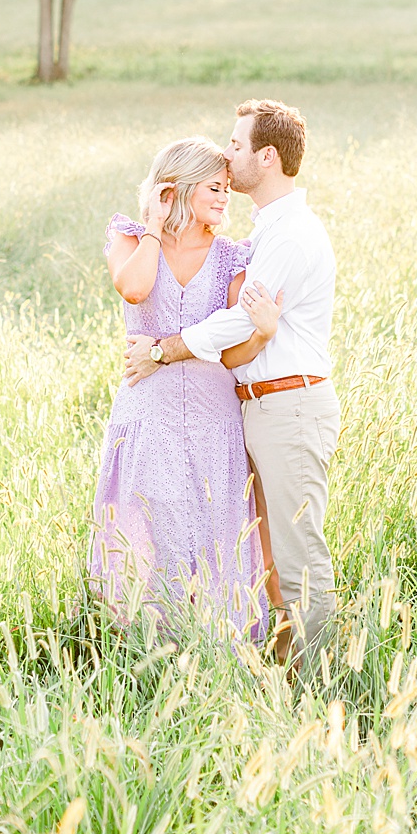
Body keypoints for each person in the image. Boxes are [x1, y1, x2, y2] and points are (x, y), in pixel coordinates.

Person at [123, 99, 338, 675]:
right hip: (262, 406)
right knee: (269, 553)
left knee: (296, 554)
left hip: (289, 404)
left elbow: (241, 321)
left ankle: (325, 683)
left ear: (267, 158)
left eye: (238, 146)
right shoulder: (268, 230)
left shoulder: (288, 236)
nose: (230, 152)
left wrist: (164, 349)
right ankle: (288, 669)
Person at [93, 137, 284, 644]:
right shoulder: (129, 237)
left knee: (213, 536)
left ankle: (216, 650)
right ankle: (149, 649)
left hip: (212, 420)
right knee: (154, 534)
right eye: (215, 188)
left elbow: (230, 351)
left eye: (228, 189)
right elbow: (134, 289)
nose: (226, 198)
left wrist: (262, 334)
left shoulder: (230, 257)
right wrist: (156, 225)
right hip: (147, 416)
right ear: (176, 187)